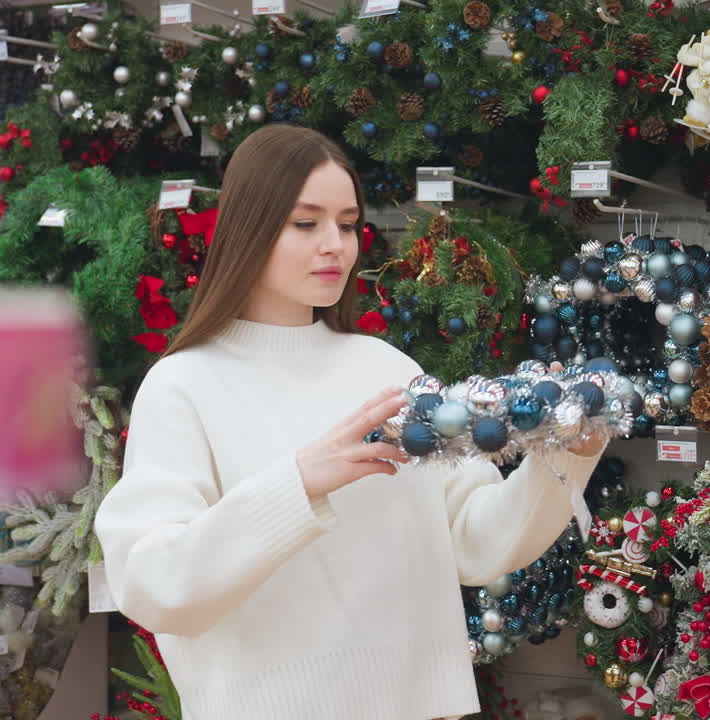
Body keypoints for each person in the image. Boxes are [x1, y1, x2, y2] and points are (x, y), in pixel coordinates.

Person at [94, 125, 606, 720]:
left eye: (346, 222)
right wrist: (298, 484)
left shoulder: (388, 369)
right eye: (305, 223)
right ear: (249, 227)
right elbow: (153, 587)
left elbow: (478, 540)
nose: (334, 244)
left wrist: (567, 456)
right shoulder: (184, 385)